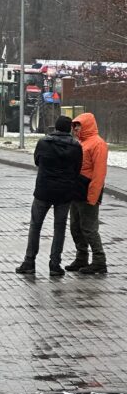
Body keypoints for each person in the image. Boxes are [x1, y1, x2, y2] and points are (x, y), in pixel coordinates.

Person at [15, 116, 82, 276]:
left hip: (43, 191)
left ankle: (29, 262)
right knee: (59, 229)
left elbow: (37, 161)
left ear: (56, 127)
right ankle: (55, 264)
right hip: (64, 193)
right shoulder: (76, 147)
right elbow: (77, 170)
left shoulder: (43, 143)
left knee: (35, 226)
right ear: (69, 129)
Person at [66, 113, 109, 274]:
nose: (76, 130)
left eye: (78, 127)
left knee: (89, 228)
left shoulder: (98, 144)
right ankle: (81, 257)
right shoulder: (81, 143)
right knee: (75, 227)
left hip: (88, 192)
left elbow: (99, 173)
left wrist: (93, 195)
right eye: (75, 127)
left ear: (86, 126)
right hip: (77, 192)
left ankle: (99, 260)